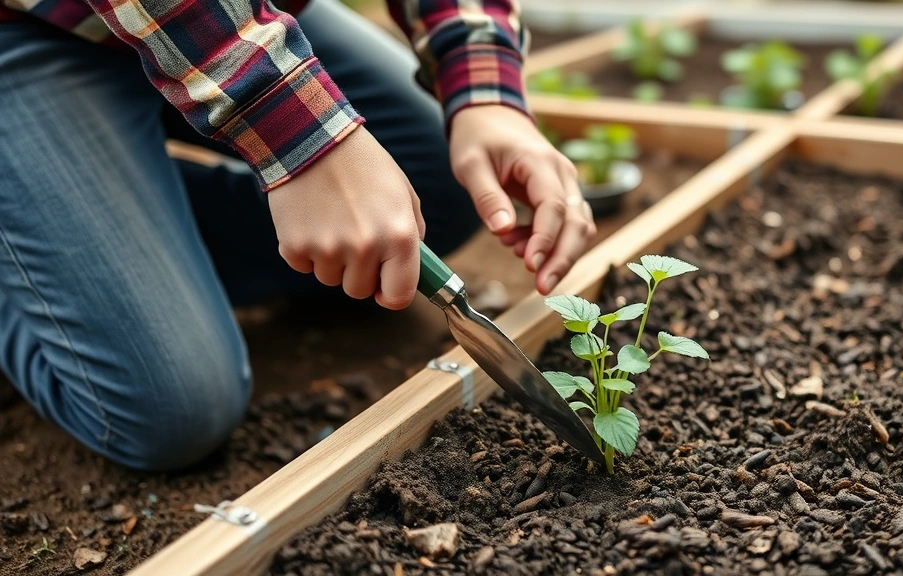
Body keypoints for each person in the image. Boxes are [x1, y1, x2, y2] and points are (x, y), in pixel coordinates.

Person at [0, 0, 596, 471]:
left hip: (228, 9)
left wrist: (484, 87)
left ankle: (80, 219)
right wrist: (298, 136)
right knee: (171, 407)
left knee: (432, 184)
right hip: (31, 26)